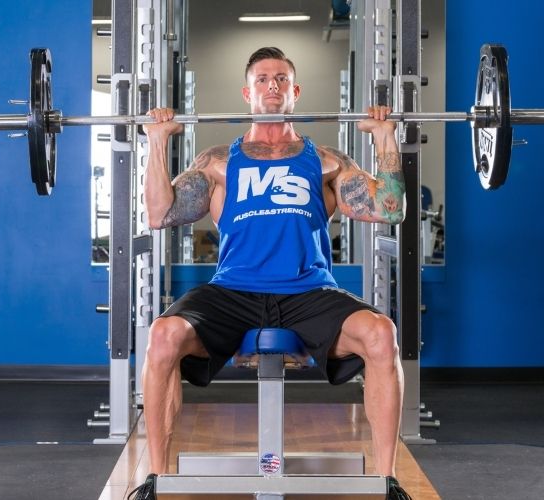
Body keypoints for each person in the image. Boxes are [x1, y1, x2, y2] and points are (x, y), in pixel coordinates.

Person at [130, 47, 411, 500]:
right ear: (248, 94)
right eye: (262, 79)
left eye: (281, 78)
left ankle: (387, 482)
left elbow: (390, 209)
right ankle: (156, 482)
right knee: (162, 337)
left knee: (381, 334)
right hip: (233, 292)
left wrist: (384, 137)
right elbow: (159, 213)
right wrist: (157, 140)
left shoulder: (327, 162)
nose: (272, 85)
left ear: (295, 92)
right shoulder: (218, 161)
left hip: (310, 290)